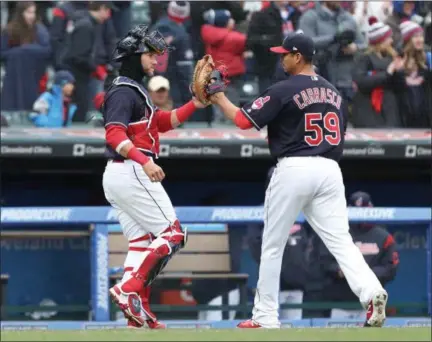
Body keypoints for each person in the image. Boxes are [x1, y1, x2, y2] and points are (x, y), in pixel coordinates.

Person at [208, 32, 388, 328]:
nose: (282, 59)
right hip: (330, 169)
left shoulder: (284, 88)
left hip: (294, 166)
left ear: (298, 56)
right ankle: (372, 293)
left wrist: (218, 97)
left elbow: (243, 121)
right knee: (342, 242)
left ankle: (265, 316)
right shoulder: (335, 93)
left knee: (272, 243)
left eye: (285, 54)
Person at [102, 24, 207, 329]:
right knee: (173, 234)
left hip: (120, 175)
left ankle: (139, 313)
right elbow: (113, 134)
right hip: (132, 169)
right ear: (135, 55)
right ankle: (128, 288)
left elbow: (161, 123)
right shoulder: (123, 90)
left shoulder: (134, 89)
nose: (155, 61)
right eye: (150, 54)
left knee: (140, 241)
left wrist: (195, 105)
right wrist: (143, 162)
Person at [60, 1, 114, 122]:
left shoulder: (84, 22)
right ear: (102, 9)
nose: (108, 16)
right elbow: (79, 56)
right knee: (79, 110)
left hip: (78, 75)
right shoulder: (86, 26)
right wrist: (96, 69)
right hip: (76, 78)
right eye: (108, 11)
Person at [351, 17, 404, 128]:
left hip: (390, 108)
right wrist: (387, 73)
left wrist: (399, 72)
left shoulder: (392, 56)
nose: (391, 41)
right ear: (380, 40)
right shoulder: (364, 57)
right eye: (388, 38)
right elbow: (361, 82)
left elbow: (398, 86)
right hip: (368, 109)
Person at [0, 1, 51, 112]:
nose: (31, 16)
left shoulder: (40, 30)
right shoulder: (9, 30)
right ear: (21, 13)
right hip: (15, 77)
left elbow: (46, 50)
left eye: (33, 12)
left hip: (34, 77)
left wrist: (26, 49)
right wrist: (19, 52)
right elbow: (2, 53)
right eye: (28, 12)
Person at [201, 9, 246, 123]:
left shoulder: (208, 32)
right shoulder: (234, 37)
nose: (232, 21)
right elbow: (244, 42)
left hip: (214, 73)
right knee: (232, 101)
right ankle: (232, 123)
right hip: (231, 74)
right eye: (229, 19)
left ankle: (217, 126)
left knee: (216, 100)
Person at [397, 20, 432, 128]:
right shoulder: (397, 59)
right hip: (403, 115)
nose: (420, 40)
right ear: (408, 40)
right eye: (416, 37)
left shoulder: (427, 58)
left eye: (421, 36)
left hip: (424, 115)